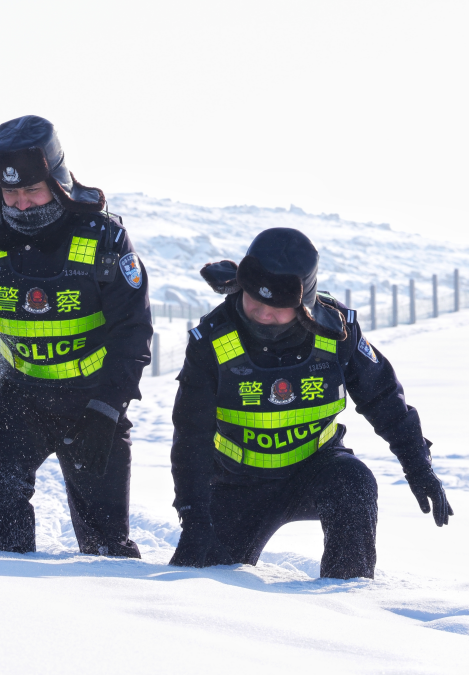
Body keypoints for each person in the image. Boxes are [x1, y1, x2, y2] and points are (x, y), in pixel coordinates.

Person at [0, 115, 152, 557]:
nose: (20, 205)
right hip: (18, 398)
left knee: (107, 546)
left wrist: (106, 410)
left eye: (32, 192)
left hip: (94, 402)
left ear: (58, 184)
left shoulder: (105, 239)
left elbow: (132, 336)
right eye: (10, 194)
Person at [169, 228, 452, 578]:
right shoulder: (211, 340)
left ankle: (345, 598)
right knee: (195, 580)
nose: (262, 313)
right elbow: (191, 437)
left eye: (277, 307)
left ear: (304, 305)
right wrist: (194, 514)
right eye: (254, 300)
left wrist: (418, 466)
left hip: (314, 469)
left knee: (354, 480)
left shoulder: (338, 332)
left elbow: (383, 399)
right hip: (235, 483)